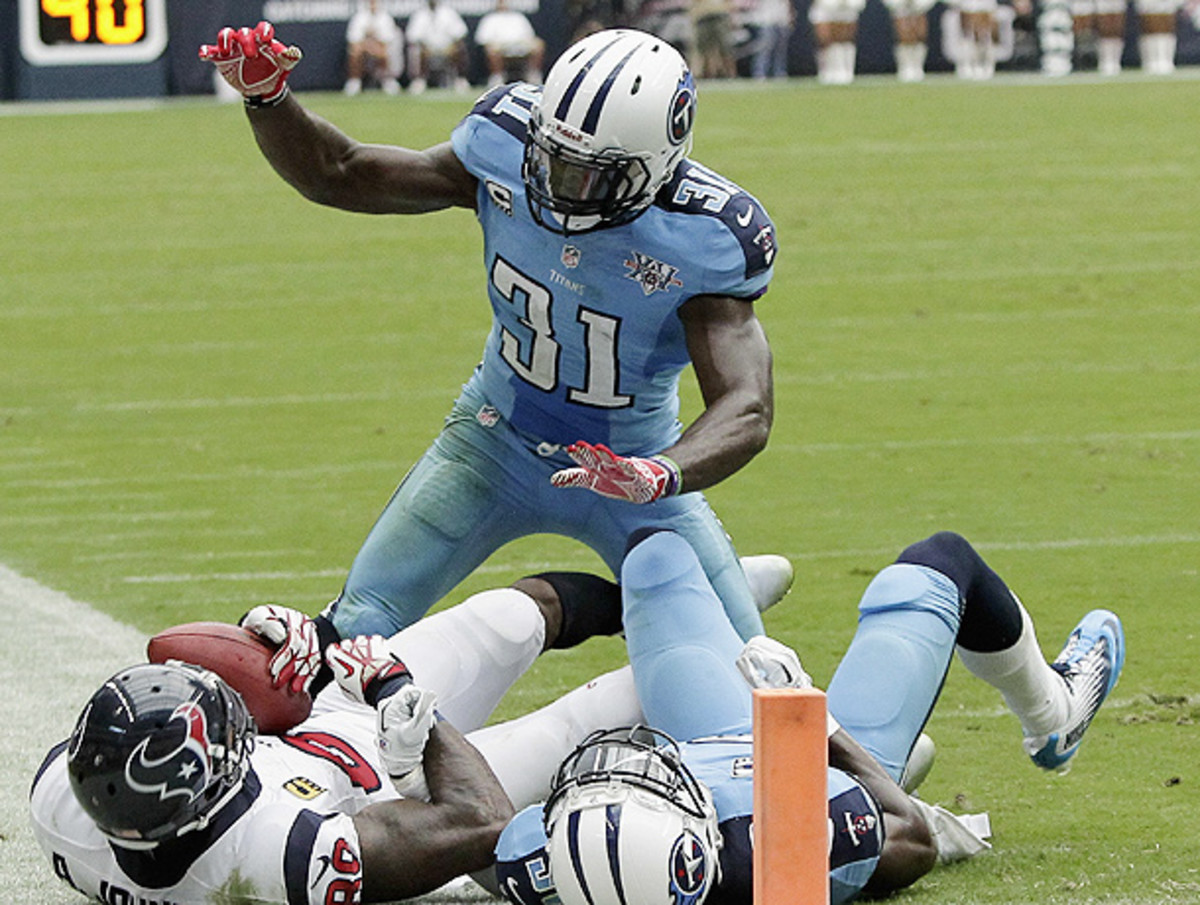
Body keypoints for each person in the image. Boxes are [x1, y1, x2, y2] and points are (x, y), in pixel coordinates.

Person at [198, 25, 779, 646]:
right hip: (492, 443)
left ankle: (681, 602)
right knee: (351, 632)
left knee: (758, 677)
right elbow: (339, 172)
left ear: (658, 166)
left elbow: (746, 406)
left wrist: (660, 473)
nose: (560, 186)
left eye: (590, 175)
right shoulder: (506, 143)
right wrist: (268, 99)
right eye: (554, 157)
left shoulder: (706, 237)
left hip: (627, 470)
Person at [29, 553, 796, 904]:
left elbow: (254, 719)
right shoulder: (273, 862)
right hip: (399, 778)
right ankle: (784, 700)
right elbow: (478, 820)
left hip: (330, 729)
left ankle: (673, 595)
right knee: (600, 711)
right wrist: (398, 696)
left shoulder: (66, 799)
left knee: (506, 616)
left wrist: (292, 648)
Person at [490, 529, 1126, 904]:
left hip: (704, 736)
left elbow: (475, 831)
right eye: (643, 786)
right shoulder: (782, 851)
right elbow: (912, 838)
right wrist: (804, 719)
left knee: (652, 555)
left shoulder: (552, 859)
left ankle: (720, 612)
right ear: (695, 853)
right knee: (935, 566)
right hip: (819, 766)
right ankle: (1053, 714)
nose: (633, 767)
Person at [474, 0, 546, 88]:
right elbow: (483, 40)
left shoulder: (518, 17)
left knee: (538, 45)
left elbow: (529, 36)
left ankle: (533, 75)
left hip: (519, 45)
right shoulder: (490, 18)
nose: (503, 4)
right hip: (500, 47)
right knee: (491, 49)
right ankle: (497, 77)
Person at [405, 0, 471, 92]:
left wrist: (450, 48)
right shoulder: (419, 15)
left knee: (460, 49)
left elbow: (460, 34)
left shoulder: (449, 13)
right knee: (415, 51)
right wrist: (426, 48)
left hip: (447, 48)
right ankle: (419, 80)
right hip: (426, 49)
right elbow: (413, 37)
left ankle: (460, 79)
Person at [343, 0, 404, 95]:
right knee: (355, 52)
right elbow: (353, 40)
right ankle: (354, 82)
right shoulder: (359, 17)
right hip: (363, 48)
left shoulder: (385, 17)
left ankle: (387, 80)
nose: (373, 5)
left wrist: (374, 44)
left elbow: (386, 41)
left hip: (379, 47)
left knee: (383, 52)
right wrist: (367, 46)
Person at [808, 0, 865, 83]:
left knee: (845, 40)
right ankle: (826, 72)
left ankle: (847, 72)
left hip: (847, 7)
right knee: (825, 41)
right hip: (824, 7)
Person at [884, 0, 936, 81]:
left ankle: (918, 66)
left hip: (920, 5)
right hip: (900, 6)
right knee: (904, 35)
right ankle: (905, 67)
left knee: (920, 35)